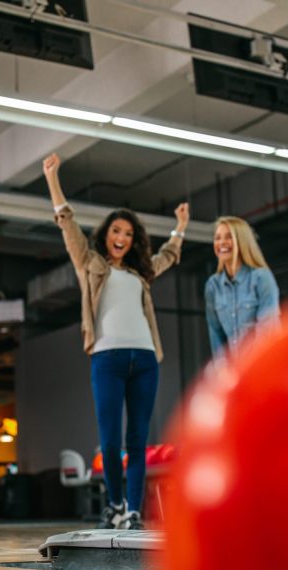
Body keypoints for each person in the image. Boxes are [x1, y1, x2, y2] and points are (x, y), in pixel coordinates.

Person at [42, 153, 187, 531]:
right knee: (110, 439)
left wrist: (181, 227)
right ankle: (116, 504)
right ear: (106, 234)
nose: (122, 238)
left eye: (128, 234)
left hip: (144, 359)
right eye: (116, 231)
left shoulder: (141, 271)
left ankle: (134, 511)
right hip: (106, 358)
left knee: (138, 438)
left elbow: (169, 256)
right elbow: (67, 224)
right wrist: (53, 178)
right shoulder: (89, 263)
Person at [205, 216, 280, 356]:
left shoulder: (261, 278)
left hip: (263, 363)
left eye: (228, 237)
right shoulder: (213, 286)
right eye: (217, 238)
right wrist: (223, 371)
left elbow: (267, 329)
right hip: (236, 372)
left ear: (241, 241)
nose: (221, 242)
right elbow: (216, 334)